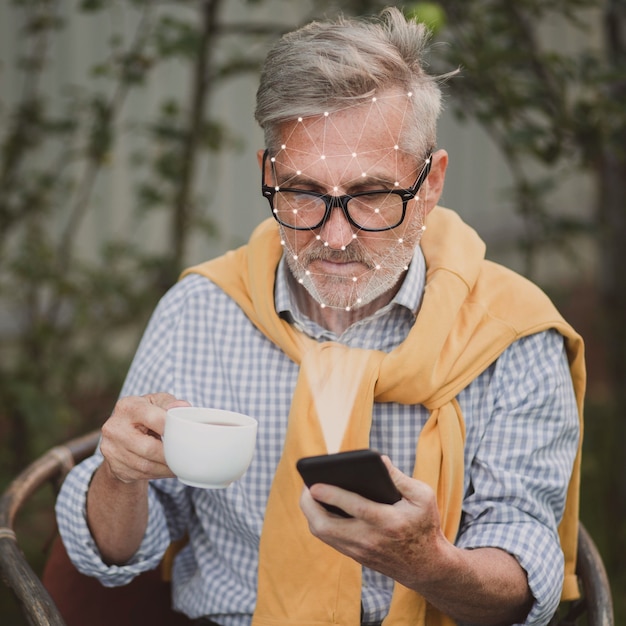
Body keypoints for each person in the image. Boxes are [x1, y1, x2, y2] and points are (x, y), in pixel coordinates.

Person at [55, 7, 585, 626]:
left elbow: (523, 586)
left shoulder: (509, 334)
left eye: (370, 196)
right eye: (303, 193)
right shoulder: (201, 310)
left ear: (431, 183)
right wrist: (119, 475)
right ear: (268, 174)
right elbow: (114, 556)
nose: (334, 237)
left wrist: (428, 562)